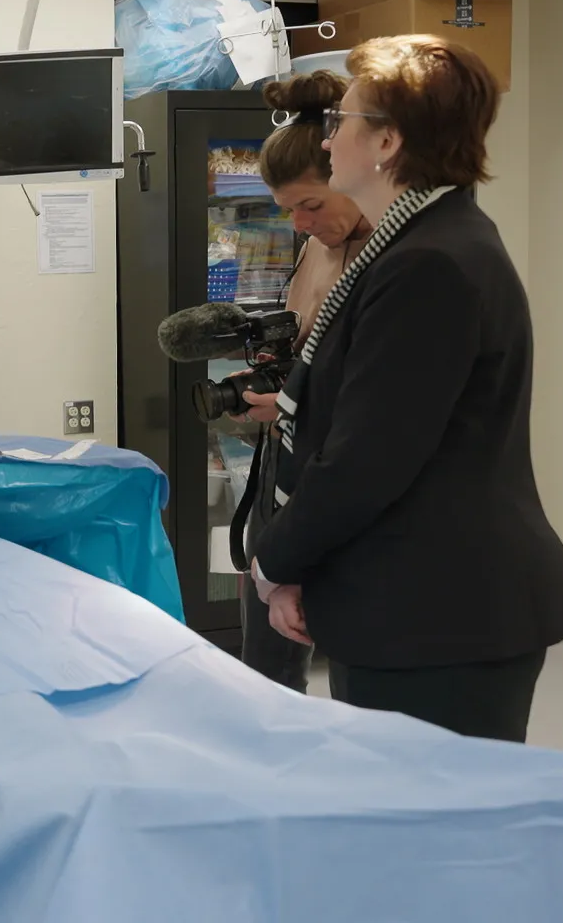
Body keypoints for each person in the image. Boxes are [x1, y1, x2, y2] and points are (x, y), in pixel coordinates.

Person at [249, 36, 563, 743]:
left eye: (340, 120)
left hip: (440, 615)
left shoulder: (430, 264)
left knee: (437, 837)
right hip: (412, 601)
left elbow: (369, 458)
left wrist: (275, 561)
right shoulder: (419, 245)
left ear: (387, 140)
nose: (328, 137)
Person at [232, 71, 375, 693]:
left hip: (339, 475)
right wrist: (270, 387)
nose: (301, 225)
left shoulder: (397, 261)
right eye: (289, 211)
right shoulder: (317, 245)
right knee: (265, 655)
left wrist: (291, 405)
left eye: (311, 206)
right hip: (285, 466)